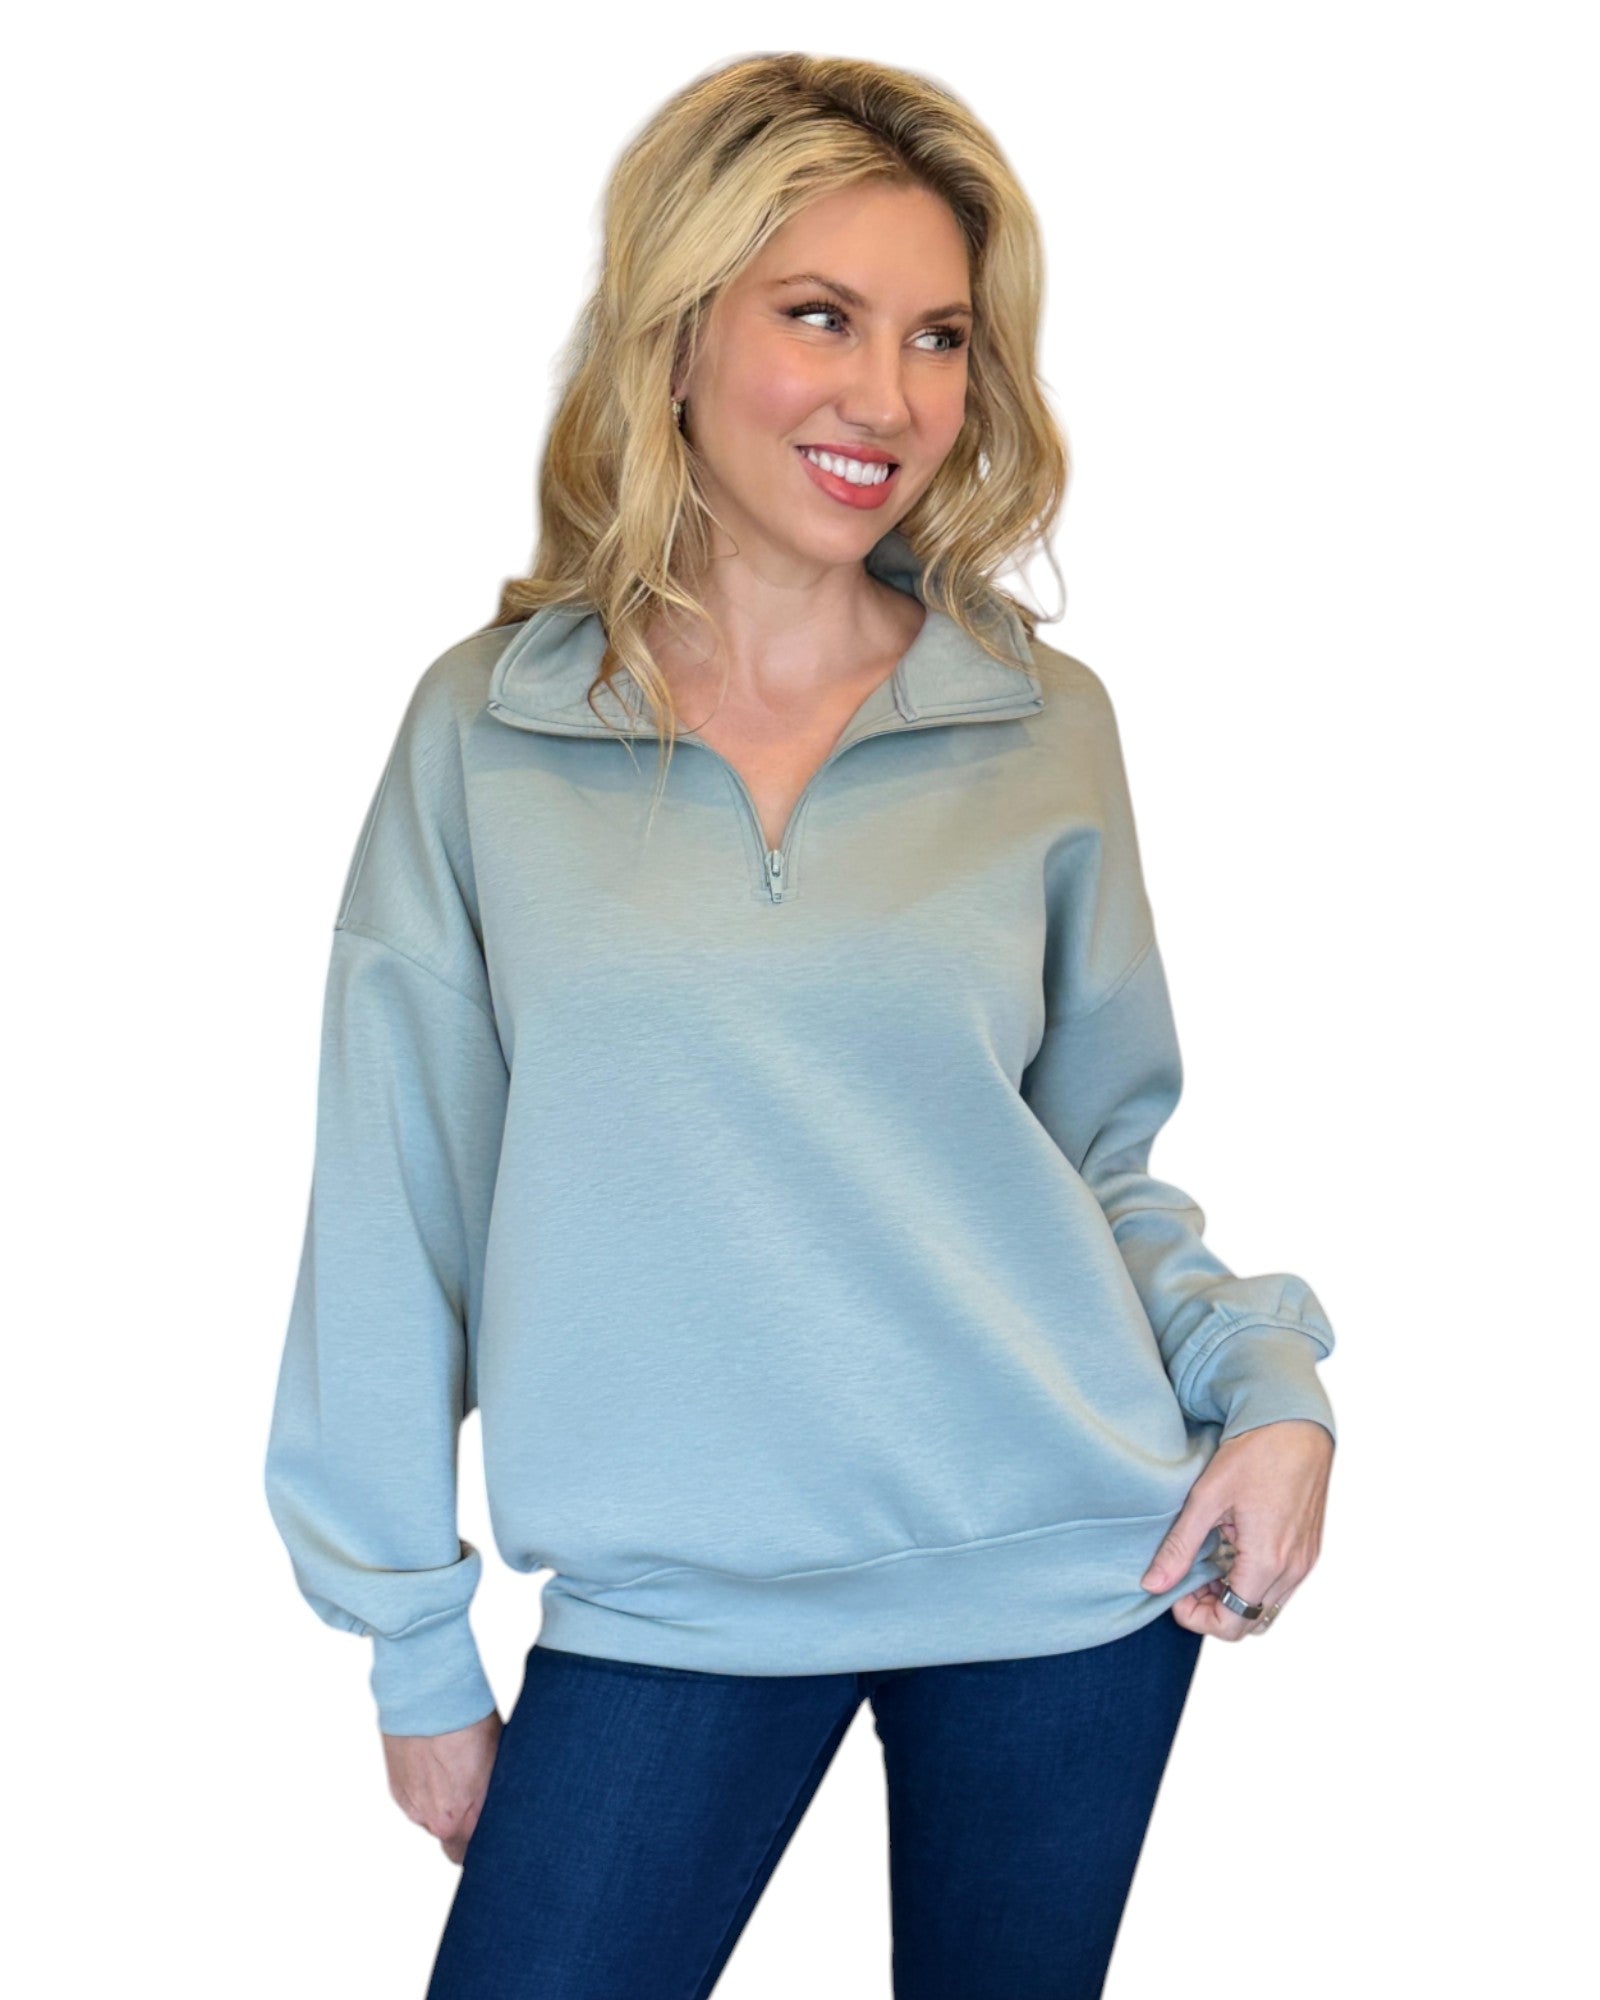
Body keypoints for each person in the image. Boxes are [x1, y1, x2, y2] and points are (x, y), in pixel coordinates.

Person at [263, 50, 1337, 2000]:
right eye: (820, 317)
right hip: (671, 1601)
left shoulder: (1041, 725)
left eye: (939, 337)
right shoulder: (492, 730)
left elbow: (1092, 1156)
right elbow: (393, 1199)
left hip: (1064, 1575)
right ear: (677, 336)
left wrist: (1267, 1386)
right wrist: (408, 1632)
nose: (890, 400)